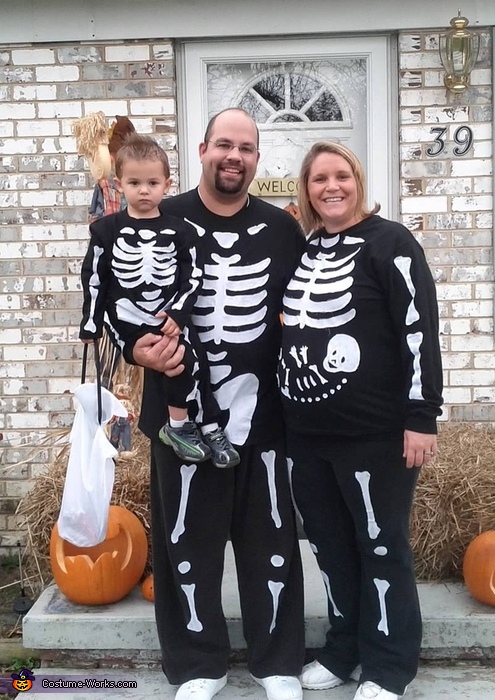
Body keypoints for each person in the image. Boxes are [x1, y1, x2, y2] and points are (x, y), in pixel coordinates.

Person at [113, 108, 306, 700]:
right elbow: (116, 297)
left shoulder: (281, 229)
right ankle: (198, 664)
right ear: (201, 149)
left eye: (246, 148)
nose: (234, 156)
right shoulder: (156, 215)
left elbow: (307, 314)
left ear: (255, 159)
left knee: (270, 538)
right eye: (224, 144)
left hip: (262, 417)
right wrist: (139, 353)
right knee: (184, 543)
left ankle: (277, 662)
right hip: (180, 418)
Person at [278, 141, 443, 700]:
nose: (332, 187)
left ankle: (389, 665)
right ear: (307, 188)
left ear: (358, 180)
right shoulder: (303, 250)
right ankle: (344, 648)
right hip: (307, 436)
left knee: (380, 546)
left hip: (374, 435)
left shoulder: (390, 243)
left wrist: (422, 417)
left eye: (341, 176)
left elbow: (419, 331)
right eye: (319, 178)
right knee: (328, 546)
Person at [79, 133, 239, 468]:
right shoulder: (106, 231)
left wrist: (178, 314)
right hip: (126, 317)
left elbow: (193, 276)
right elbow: (95, 276)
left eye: (152, 182)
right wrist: (92, 322)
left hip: (166, 317)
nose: (143, 190)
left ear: (166, 184)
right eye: (134, 182)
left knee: (194, 362)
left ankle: (203, 427)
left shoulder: (182, 231)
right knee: (178, 362)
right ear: (120, 185)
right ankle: (183, 427)